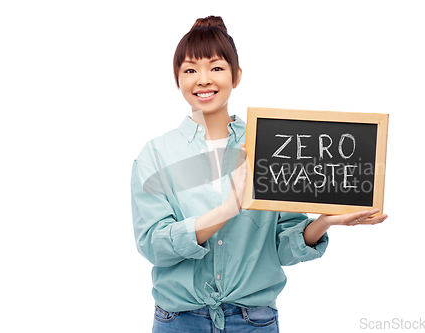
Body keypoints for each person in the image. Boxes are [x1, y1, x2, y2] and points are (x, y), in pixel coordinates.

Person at [131, 15, 388, 333]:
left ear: (236, 75)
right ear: (177, 79)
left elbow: (283, 247)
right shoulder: (155, 154)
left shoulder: (270, 143)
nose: (203, 79)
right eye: (190, 70)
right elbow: (153, 245)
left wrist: (324, 220)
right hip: (179, 321)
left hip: (253, 323)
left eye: (216, 67)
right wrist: (226, 211)